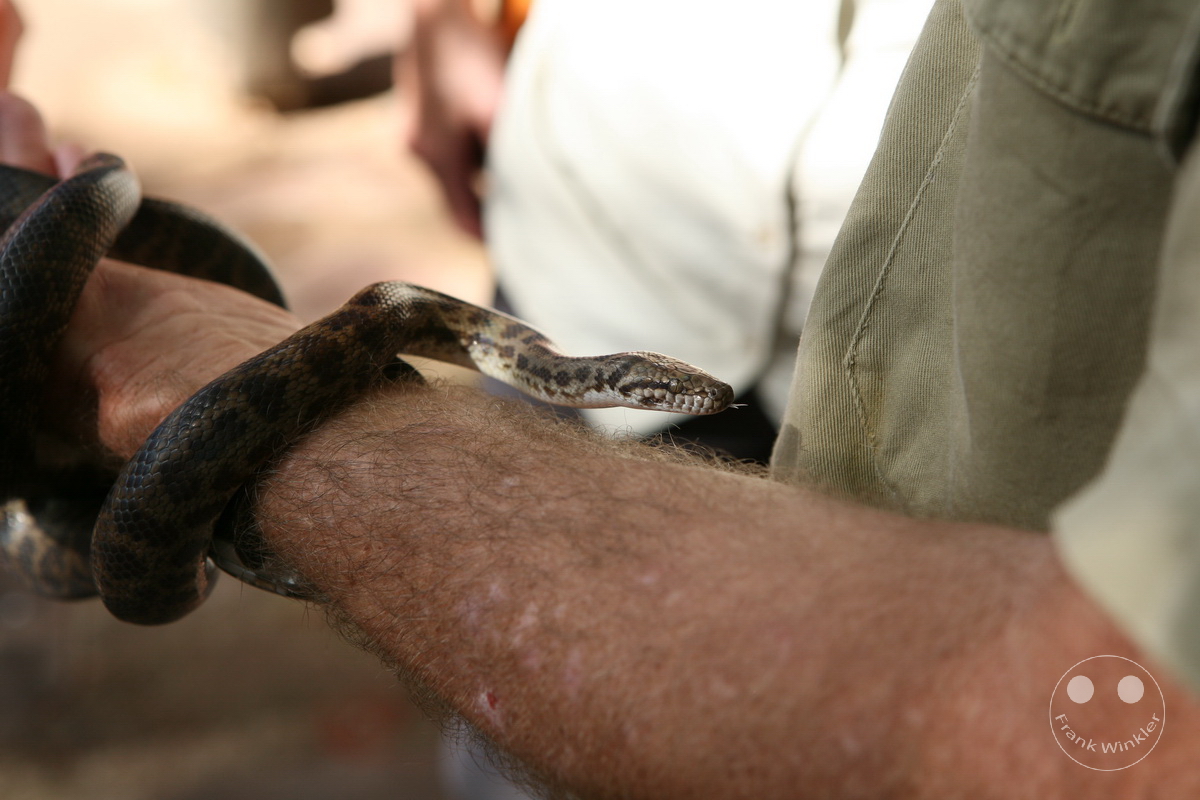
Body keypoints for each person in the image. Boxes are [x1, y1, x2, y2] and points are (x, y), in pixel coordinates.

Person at [12, 0, 1200, 798]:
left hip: (935, 354)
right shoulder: (505, 338)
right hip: (608, 208)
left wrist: (204, 382)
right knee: (507, 742)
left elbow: (1093, 716)